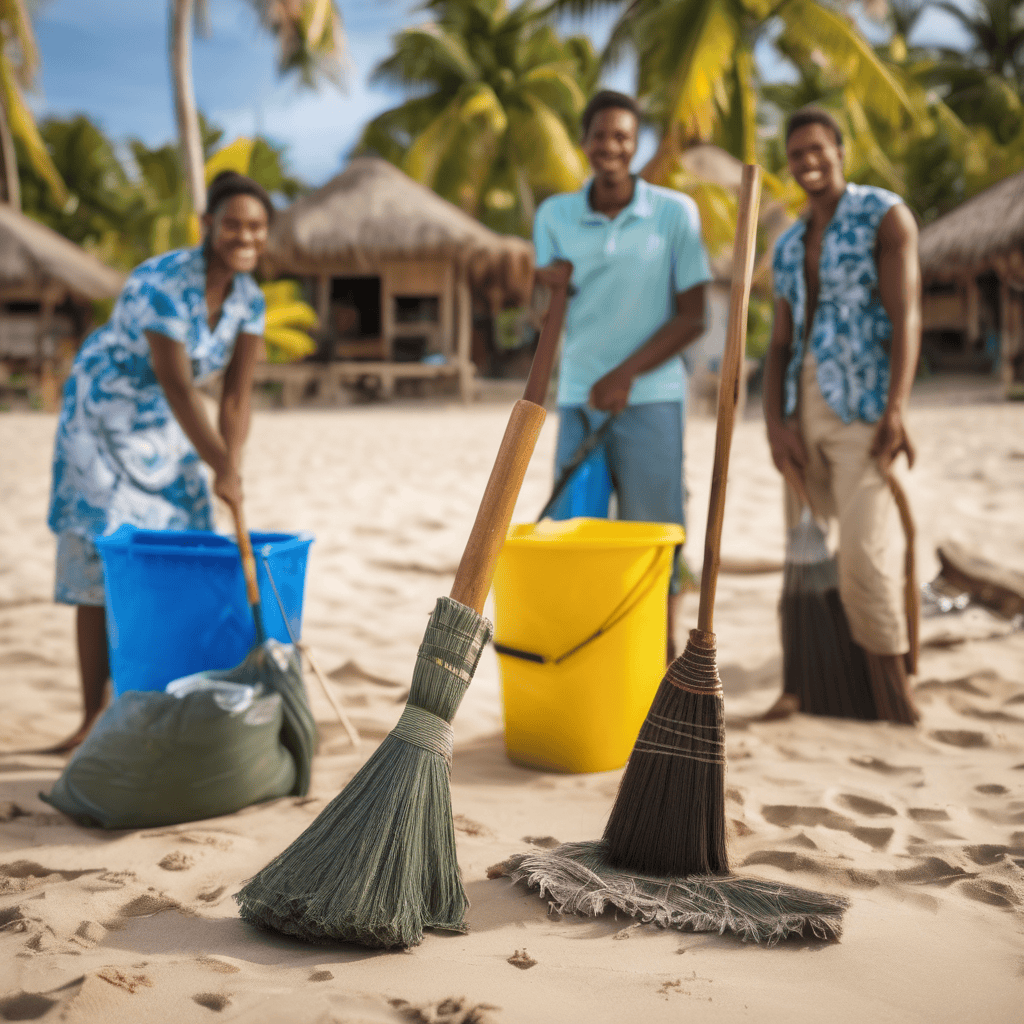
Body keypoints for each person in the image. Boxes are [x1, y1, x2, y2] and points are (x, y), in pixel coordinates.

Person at [45, 171, 272, 752]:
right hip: (103, 415)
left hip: (167, 429)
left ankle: (158, 701)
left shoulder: (250, 299)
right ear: (208, 227)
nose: (244, 236)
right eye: (232, 224)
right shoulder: (162, 282)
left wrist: (233, 465)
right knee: (101, 555)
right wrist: (218, 461)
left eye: (255, 227)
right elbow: (175, 383)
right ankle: (91, 721)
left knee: (184, 542)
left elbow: (237, 396)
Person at [532, 90, 711, 659]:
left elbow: (694, 316)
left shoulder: (674, 213)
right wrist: (547, 287)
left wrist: (627, 375)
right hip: (578, 397)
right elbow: (545, 311)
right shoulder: (554, 215)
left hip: (653, 397)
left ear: (636, 147)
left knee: (654, 535)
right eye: (600, 136)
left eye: (623, 137)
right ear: (584, 143)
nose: (610, 146)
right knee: (571, 536)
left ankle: (659, 656)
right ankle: (586, 655)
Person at [763, 108, 921, 723]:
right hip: (802, 408)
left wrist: (898, 408)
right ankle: (805, 686)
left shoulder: (885, 215)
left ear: (840, 150)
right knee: (806, 555)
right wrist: (774, 423)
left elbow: (906, 314)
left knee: (862, 556)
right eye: (797, 153)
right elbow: (779, 343)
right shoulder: (787, 244)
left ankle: (895, 696)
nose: (808, 162)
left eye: (818, 150)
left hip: (865, 405)